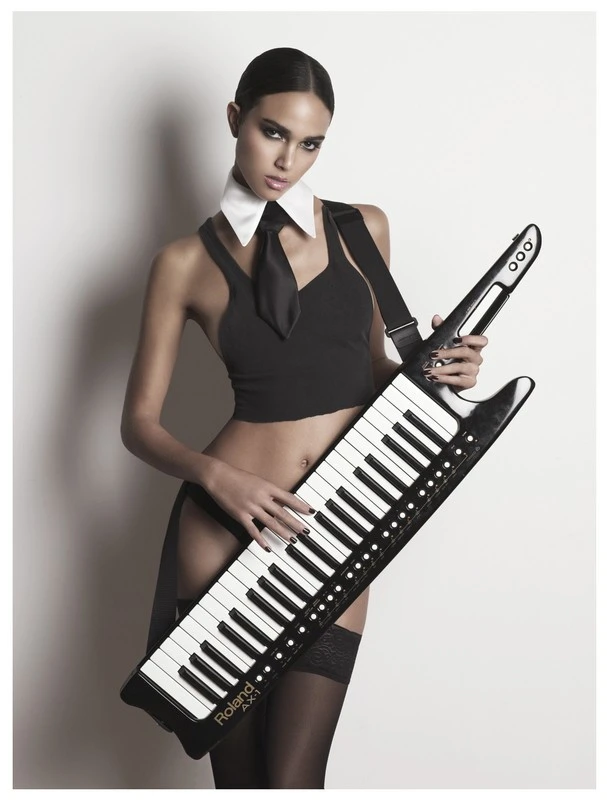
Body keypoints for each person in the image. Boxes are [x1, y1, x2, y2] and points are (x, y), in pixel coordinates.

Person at [120, 47, 488, 789]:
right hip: (228, 526)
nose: (288, 160)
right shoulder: (183, 263)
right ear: (236, 119)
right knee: (243, 784)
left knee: (295, 780)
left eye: (311, 143)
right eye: (272, 132)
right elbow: (140, 425)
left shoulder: (362, 229)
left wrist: (445, 370)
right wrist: (218, 479)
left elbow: (365, 371)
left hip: (339, 522)